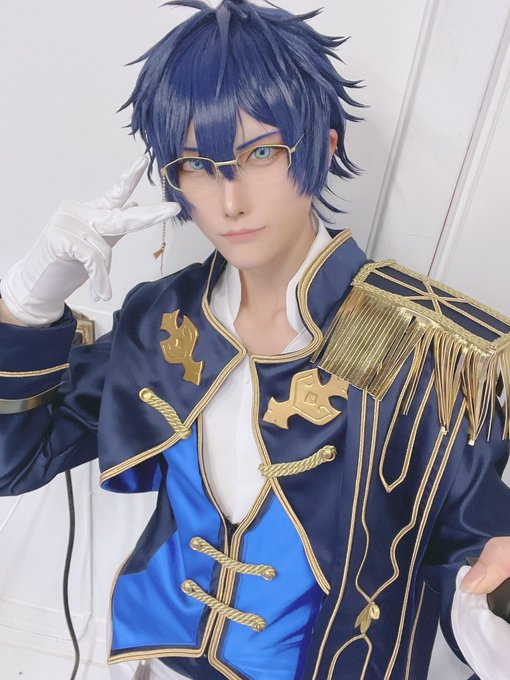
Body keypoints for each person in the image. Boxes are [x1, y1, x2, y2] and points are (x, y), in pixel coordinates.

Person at [0, 1, 510, 678]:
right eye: (195, 164)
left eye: (261, 153)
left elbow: (473, 549)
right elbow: (14, 462)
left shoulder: (431, 345)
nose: (229, 202)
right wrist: (28, 304)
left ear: (326, 145)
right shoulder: (163, 317)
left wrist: (490, 596)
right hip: (165, 664)